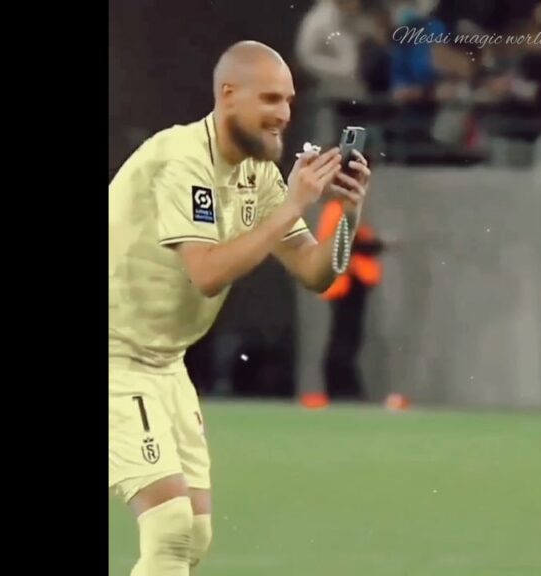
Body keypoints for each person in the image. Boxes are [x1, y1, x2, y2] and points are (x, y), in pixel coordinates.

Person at [108, 40, 373, 574]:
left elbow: (314, 272)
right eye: (270, 99)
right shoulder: (180, 160)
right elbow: (207, 274)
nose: (283, 115)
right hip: (114, 356)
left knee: (193, 536)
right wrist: (295, 204)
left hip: (163, 362)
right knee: (170, 526)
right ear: (228, 96)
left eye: (290, 102)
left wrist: (345, 213)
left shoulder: (258, 175)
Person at [317, 199, 384, 399]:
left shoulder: (339, 209)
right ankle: (342, 388)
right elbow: (347, 242)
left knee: (346, 337)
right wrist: (373, 246)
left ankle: (341, 387)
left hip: (349, 282)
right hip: (346, 283)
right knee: (344, 338)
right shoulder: (338, 209)